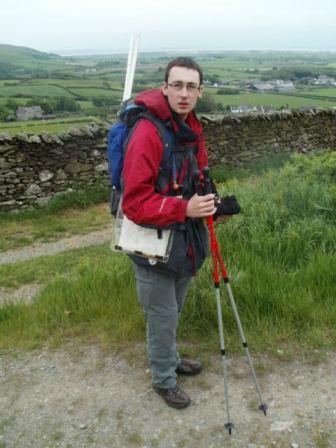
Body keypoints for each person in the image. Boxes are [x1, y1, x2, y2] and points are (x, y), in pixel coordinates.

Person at [122, 57, 217, 409]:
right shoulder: (148, 132)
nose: (183, 93)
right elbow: (134, 202)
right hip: (151, 245)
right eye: (176, 85)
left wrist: (211, 201)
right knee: (162, 317)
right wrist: (184, 208)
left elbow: (199, 173)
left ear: (200, 93)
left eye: (191, 87)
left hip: (183, 241)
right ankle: (163, 380)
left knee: (173, 310)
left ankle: (171, 359)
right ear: (164, 88)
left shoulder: (191, 127)